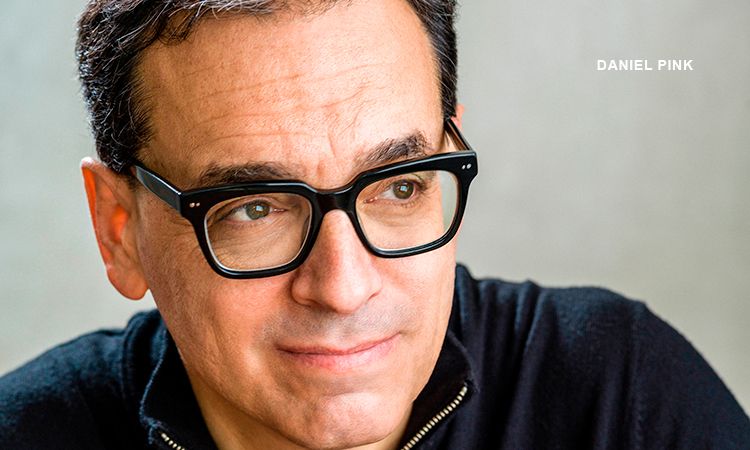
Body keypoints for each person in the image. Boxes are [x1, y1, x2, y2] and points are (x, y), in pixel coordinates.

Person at [1, 0, 748, 448]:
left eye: (399, 186)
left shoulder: (624, 402)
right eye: (254, 208)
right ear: (120, 229)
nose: (344, 287)